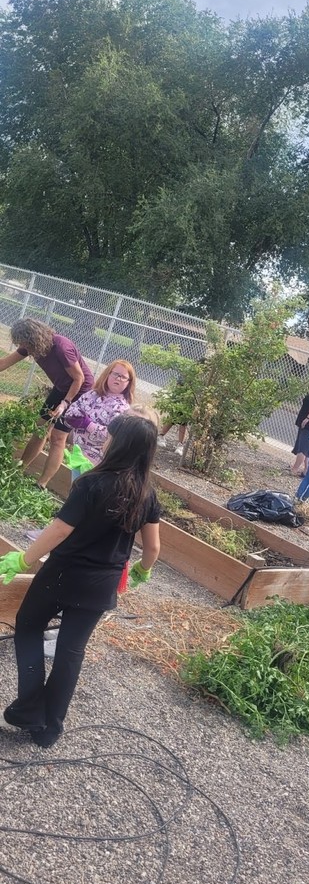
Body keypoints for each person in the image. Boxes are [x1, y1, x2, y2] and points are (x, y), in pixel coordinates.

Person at [0, 415, 161, 748]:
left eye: (109, 437)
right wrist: (142, 571)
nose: (104, 441)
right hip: (102, 585)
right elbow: (154, 547)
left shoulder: (92, 483)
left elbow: (60, 530)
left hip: (63, 574)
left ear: (119, 444)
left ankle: (31, 706)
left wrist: (23, 559)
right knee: (70, 650)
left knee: (29, 626)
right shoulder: (147, 494)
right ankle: (50, 729)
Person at [0, 319, 94, 488]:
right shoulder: (31, 347)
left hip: (80, 392)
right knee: (40, 428)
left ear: (35, 338)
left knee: (58, 437)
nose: (24, 348)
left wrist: (65, 403)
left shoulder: (61, 347)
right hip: (61, 388)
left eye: (25, 344)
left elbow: (79, 378)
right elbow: (5, 363)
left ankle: (41, 484)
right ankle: (18, 469)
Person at [64, 359, 136, 464]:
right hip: (77, 451)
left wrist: (88, 425)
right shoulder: (92, 394)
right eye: (115, 374)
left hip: (96, 460)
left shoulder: (122, 408)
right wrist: (71, 418)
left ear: (129, 383)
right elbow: (73, 409)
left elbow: (113, 435)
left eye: (123, 377)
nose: (118, 378)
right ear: (107, 374)